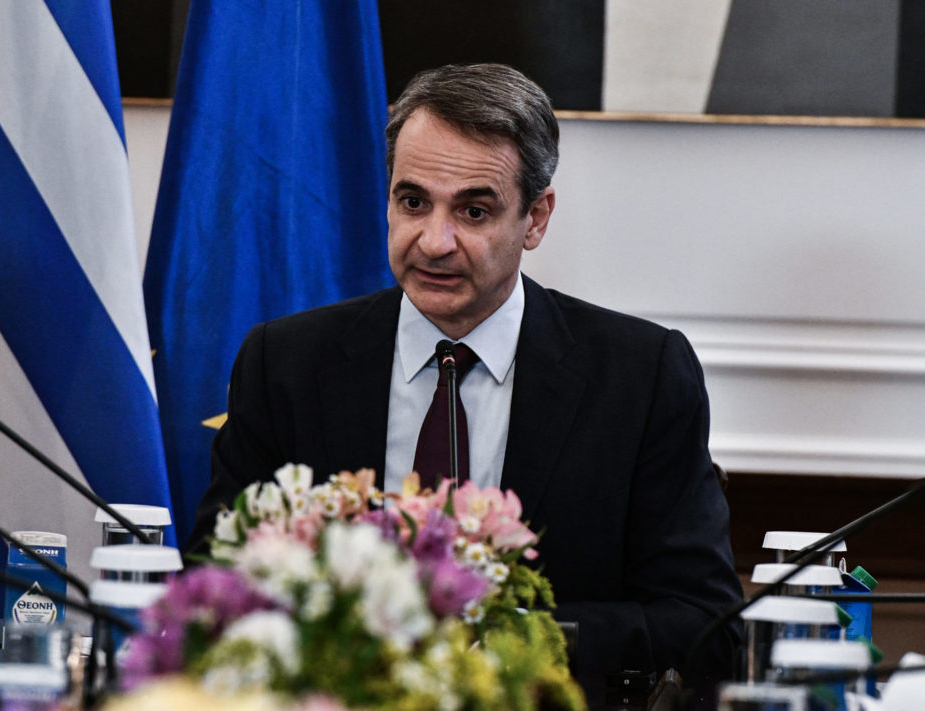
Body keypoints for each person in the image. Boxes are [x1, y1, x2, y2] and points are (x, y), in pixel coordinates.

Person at [185, 63, 743, 706]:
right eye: (413, 202)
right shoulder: (285, 364)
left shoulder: (639, 377)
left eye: (473, 211)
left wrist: (516, 639)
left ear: (536, 218)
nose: (434, 241)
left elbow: (705, 627)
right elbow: (212, 586)